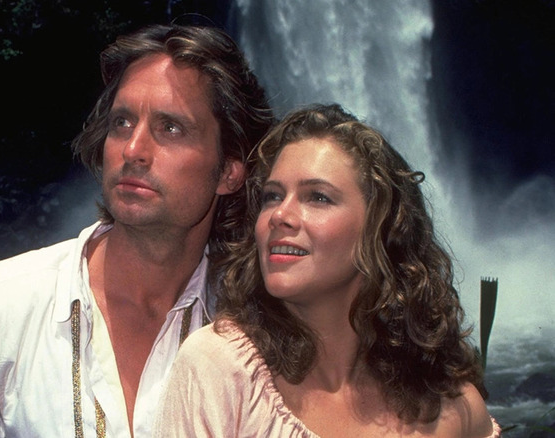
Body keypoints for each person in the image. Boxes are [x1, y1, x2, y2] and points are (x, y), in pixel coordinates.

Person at [0, 23, 274, 437]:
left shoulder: (257, 333)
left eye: (170, 128)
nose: (133, 150)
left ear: (229, 172)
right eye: (122, 123)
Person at [154, 104, 501, 437]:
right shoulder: (220, 370)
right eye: (272, 196)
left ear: (381, 228)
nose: (280, 215)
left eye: (318, 197)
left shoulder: (454, 409)